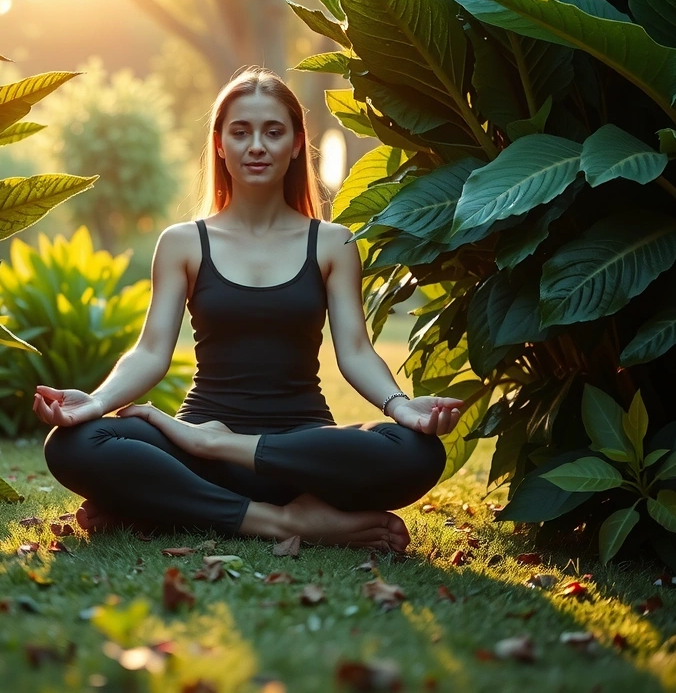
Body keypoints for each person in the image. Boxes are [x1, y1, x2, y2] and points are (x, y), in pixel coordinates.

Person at [37, 66, 465, 552]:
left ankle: (164, 503)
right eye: (240, 132)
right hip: (196, 446)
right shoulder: (182, 243)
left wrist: (399, 405)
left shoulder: (333, 243)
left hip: (298, 455)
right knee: (73, 444)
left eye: (272, 131)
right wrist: (96, 403)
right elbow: (151, 351)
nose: (256, 145)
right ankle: (279, 521)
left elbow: (356, 352)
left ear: (297, 144)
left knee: (418, 453)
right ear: (219, 143)